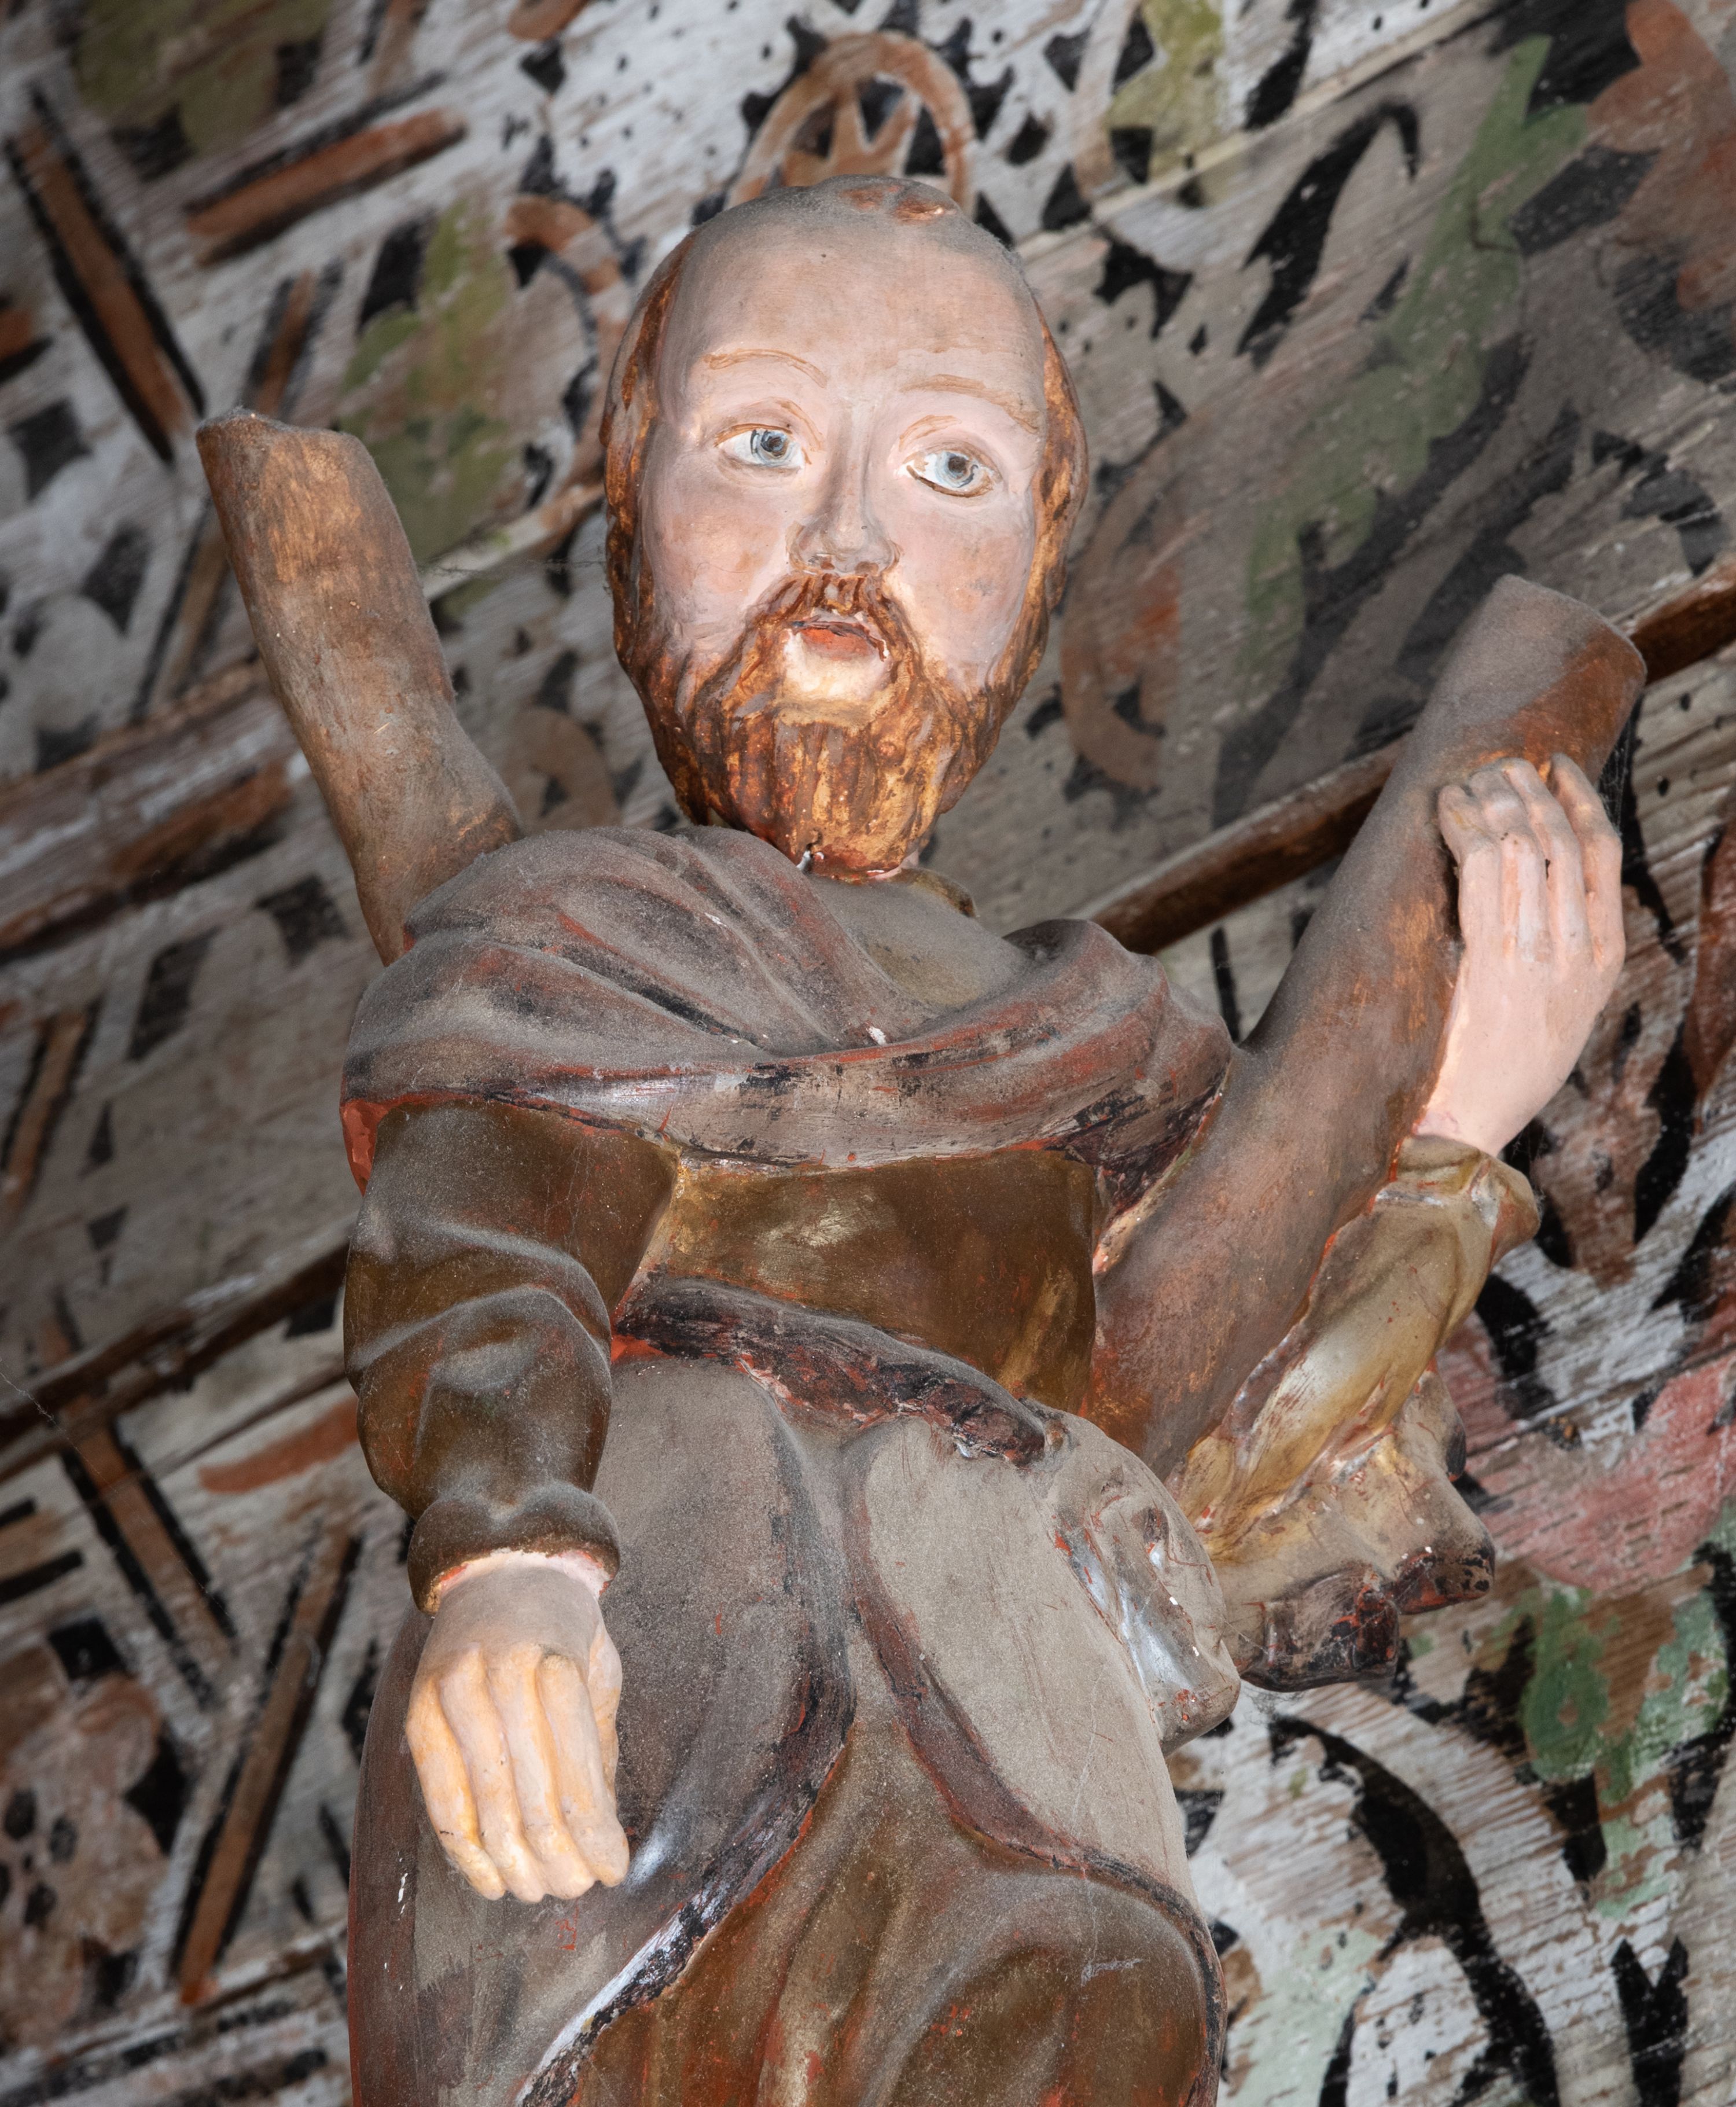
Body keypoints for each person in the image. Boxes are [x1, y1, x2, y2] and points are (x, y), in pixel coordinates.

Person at [337, 176, 1628, 2105]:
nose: (847, 540)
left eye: (948, 469)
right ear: (632, 501)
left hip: (1026, 1741)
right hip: (649, 1699)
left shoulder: (1102, 1044)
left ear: (1036, 560)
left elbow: (1218, 1464)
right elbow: (483, 1246)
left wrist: (1452, 1129)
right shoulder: (580, 932)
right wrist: (510, 1547)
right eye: (764, 444)